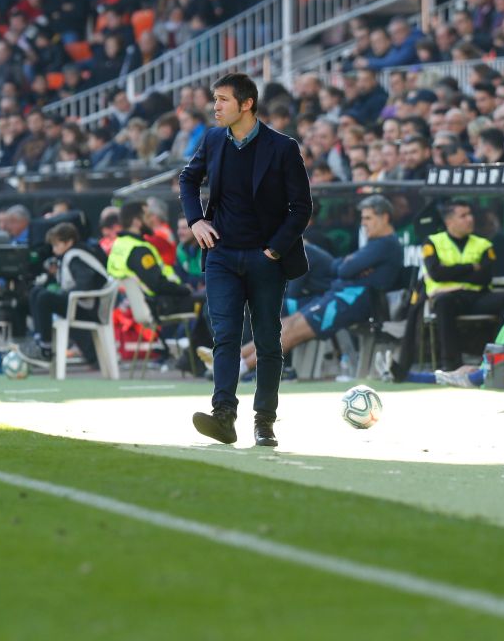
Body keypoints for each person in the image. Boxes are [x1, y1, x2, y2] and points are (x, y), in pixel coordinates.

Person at [179, 72, 312, 448]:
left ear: (246, 103)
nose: (215, 106)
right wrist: (196, 220)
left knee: (268, 340)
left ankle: (264, 420)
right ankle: (224, 415)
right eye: (215, 99)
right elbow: (188, 180)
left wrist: (274, 249)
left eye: (222, 99)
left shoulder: (283, 148)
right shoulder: (212, 139)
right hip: (221, 255)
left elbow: (301, 207)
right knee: (225, 336)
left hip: (265, 258)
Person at [229, 194, 402, 377]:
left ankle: (240, 368)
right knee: (286, 323)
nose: (364, 223)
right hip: (340, 296)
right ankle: (234, 357)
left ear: (384, 218)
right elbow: (339, 267)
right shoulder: (376, 244)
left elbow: (343, 270)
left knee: (292, 331)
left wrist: (350, 265)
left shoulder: (386, 244)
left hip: (352, 302)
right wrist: (351, 265)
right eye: (362, 218)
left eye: (368, 218)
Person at [407, 199, 504, 374]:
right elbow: (437, 273)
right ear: (449, 221)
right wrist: (470, 267)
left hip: (477, 297)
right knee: (444, 302)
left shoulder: (484, 244)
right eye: (463, 216)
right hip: (450, 298)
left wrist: (451, 272)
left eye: (470, 215)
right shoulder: (432, 242)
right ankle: (451, 366)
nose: (470, 219)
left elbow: (483, 277)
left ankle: (499, 355)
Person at [20, 222, 111, 367]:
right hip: (82, 304)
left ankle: (46, 347)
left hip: (90, 307)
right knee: (36, 292)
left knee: (44, 298)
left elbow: (86, 282)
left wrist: (66, 294)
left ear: (69, 242)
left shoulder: (75, 256)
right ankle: (40, 339)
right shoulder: (72, 255)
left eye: (57, 245)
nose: (54, 250)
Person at [105, 200, 193, 311]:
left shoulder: (119, 244)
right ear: (137, 222)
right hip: (155, 305)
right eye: (148, 216)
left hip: (126, 306)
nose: (152, 220)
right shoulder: (139, 250)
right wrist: (185, 289)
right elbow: (157, 284)